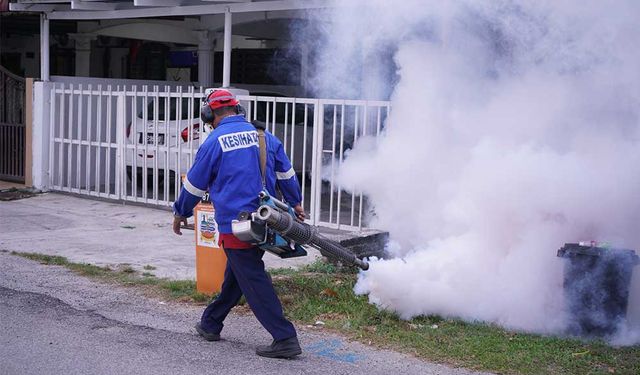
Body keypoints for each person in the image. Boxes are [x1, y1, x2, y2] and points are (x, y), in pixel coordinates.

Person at [172, 89, 304, 359]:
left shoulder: (214, 142)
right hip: (268, 218)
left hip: (237, 224)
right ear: (238, 109)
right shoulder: (264, 136)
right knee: (238, 273)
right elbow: (286, 173)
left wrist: (180, 212)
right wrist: (296, 201)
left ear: (208, 114)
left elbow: (195, 185)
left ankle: (285, 337)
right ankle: (210, 323)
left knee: (252, 278)